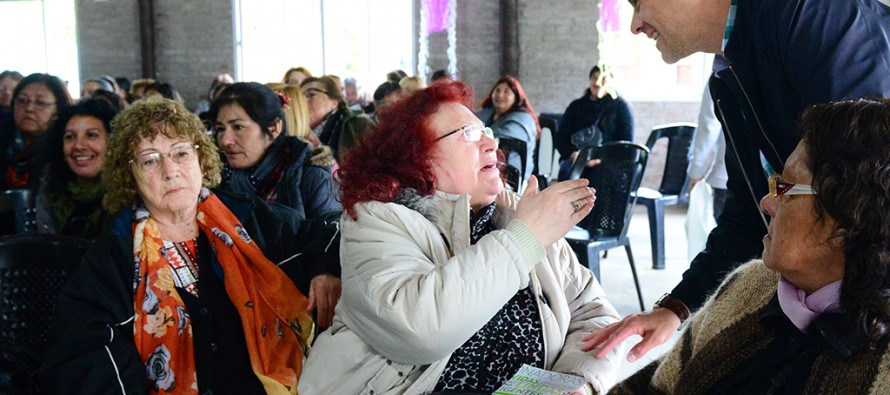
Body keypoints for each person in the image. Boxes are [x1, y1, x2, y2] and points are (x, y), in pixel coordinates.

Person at [584, 0, 890, 364]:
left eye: (638, 3)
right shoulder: (729, 74)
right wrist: (677, 307)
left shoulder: (808, 14)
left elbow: (873, 195)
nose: (635, 25)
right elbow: (748, 212)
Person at [298, 81, 622, 395]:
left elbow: (594, 312)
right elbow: (421, 329)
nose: (491, 145)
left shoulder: (513, 212)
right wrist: (525, 239)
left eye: (487, 132)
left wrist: (578, 381)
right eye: (469, 134)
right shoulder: (378, 220)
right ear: (417, 157)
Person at [40, 97, 341, 393]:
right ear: (129, 176)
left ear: (201, 159)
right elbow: (82, 354)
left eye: (181, 153)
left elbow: (329, 231)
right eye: (149, 160)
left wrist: (325, 269)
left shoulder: (252, 220)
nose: (170, 171)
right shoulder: (113, 257)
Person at [604, 98, 890, 394]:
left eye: (787, 189)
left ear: (847, 220)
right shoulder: (750, 286)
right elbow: (655, 386)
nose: (767, 203)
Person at [210, 82, 341, 222]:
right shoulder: (213, 176)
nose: (225, 140)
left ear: (274, 128)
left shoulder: (310, 177)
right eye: (220, 129)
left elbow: (328, 239)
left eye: (238, 127)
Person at [34, 99, 119, 238]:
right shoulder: (50, 192)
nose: (78, 146)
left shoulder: (128, 195)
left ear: (113, 143)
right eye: (70, 137)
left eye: (91, 135)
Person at [556, 65, 633, 181]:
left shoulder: (621, 107)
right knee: (567, 171)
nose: (597, 82)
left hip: (608, 162)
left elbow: (626, 142)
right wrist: (572, 154)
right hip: (577, 160)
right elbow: (561, 137)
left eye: (602, 78)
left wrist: (601, 158)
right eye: (594, 78)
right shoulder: (576, 106)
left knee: (602, 177)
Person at [0, 73, 73, 189]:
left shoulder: (67, 146)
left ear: (58, 110)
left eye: (40, 103)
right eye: (22, 101)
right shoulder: (4, 136)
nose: (29, 108)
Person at [476, 75, 539, 185]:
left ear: (516, 97)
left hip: (512, 177)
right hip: (486, 169)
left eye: (506, 92)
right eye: (497, 91)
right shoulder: (486, 113)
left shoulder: (523, 119)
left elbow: (499, 139)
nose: (500, 95)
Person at [300, 76, 373, 162]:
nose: (303, 101)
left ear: (334, 102)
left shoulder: (358, 124)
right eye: (299, 98)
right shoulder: (294, 132)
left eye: (310, 95)